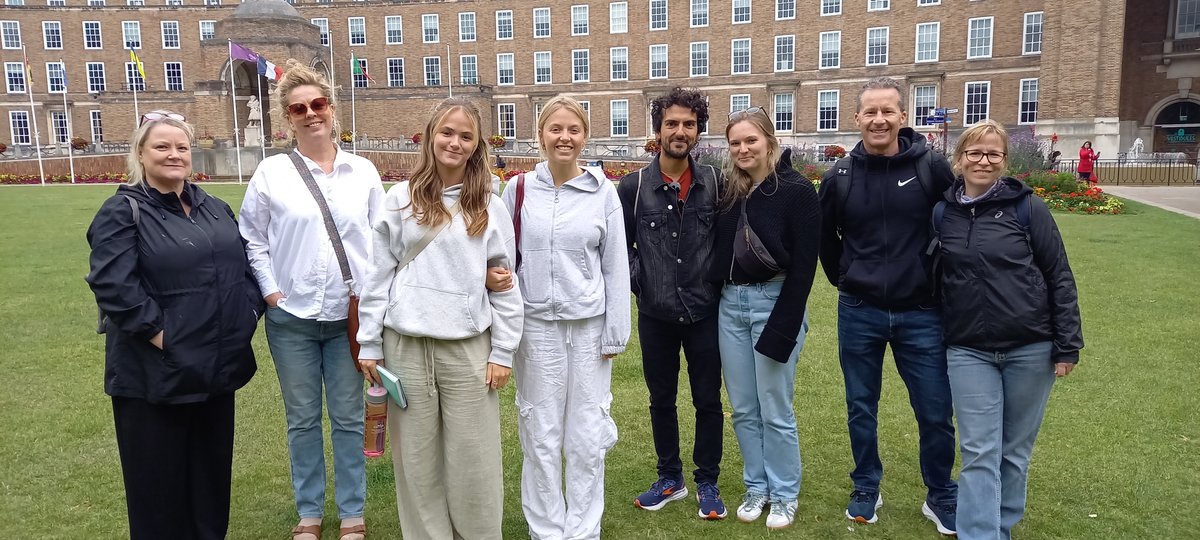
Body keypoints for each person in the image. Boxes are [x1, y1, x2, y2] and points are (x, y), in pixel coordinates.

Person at [85, 110, 260, 539]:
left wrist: (247, 316)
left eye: (181, 146)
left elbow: (245, 270)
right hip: (154, 377)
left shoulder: (213, 208)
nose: (174, 154)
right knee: (158, 491)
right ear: (141, 154)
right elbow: (114, 286)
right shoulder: (122, 211)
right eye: (162, 146)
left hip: (216, 372)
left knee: (210, 482)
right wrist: (165, 338)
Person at [356, 97, 524, 540]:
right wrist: (369, 341)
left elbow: (506, 282)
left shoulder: (490, 204)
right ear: (431, 136)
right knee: (416, 462)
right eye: (446, 132)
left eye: (465, 136)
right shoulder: (399, 199)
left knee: (475, 460)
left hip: (467, 348)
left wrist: (504, 350)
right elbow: (377, 277)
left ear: (476, 146)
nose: (454, 142)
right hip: (406, 347)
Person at [239, 61, 383, 540]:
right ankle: (308, 514)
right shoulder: (271, 172)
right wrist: (271, 293)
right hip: (293, 319)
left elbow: (382, 244)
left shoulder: (362, 171)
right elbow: (252, 238)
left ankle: (352, 515)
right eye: (299, 108)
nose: (310, 113)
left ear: (332, 108)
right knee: (302, 421)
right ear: (288, 117)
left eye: (317, 104)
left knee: (347, 418)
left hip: (348, 318)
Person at [817, 76, 959, 535]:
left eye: (888, 111)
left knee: (935, 409)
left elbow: (954, 228)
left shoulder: (931, 169)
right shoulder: (839, 177)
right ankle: (865, 486)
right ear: (856, 119)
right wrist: (848, 278)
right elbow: (826, 240)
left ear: (903, 116)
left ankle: (940, 493)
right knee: (861, 405)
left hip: (922, 312)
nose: (879, 120)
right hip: (860, 310)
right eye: (870, 112)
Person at [933, 120, 1083, 540]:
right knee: (979, 449)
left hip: (1029, 348)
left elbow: (1058, 275)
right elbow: (936, 278)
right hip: (968, 349)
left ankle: (1001, 524)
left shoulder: (1026, 207)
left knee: (1014, 451)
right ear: (959, 159)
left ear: (1004, 160)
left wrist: (1067, 345)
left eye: (993, 154)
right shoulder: (943, 212)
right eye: (975, 153)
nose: (983, 161)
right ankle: (979, 533)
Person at [499, 96, 631, 540]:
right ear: (540, 135)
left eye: (573, 129)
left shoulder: (603, 193)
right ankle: (546, 528)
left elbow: (616, 267)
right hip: (535, 329)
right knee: (540, 432)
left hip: (589, 328)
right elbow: (502, 259)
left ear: (585, 136)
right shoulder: (517, 189)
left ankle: (583, 527)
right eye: (555, 129)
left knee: (586, 435)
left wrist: (615, 332)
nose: (564, 137)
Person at [705, 106, 820, 530]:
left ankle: (785, 494)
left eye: (750, 140)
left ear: (769, 141)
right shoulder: (731, 192)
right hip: (730, 307)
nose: (742, 149)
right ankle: (758, 487)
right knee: (744, 408)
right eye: (735, 143)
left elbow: (805, 269)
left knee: (775, 407)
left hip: (774, 303)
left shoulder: (796, 190)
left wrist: (784, 326)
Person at [616, 88, 727, 519]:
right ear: (658, 129)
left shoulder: (715, 183)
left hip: (703, 312)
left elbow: (725, 241)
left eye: (689, 124)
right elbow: (618, 249)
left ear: (698, 130)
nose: (680, 132)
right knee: (661, 398)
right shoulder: (634, 187)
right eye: (671, 124)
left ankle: (707, 481)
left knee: (707, 400)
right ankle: (670, 477)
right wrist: (641, 280)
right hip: (656, 314)